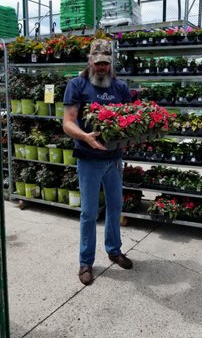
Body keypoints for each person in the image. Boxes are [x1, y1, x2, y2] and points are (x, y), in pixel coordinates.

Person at [63, 38, 133, 286]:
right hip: (89, 159)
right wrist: (85, 137)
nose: (102, 67)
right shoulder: (77, 85)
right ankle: (85, 262)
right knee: (89, 213)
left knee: (115, 208)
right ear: (90, 60)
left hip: (113, 160)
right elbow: (68, 122)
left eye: (106, 62)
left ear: (111, 62)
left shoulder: (120, 87)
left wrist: (131, 137)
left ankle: (114, 250)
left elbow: (129, 120)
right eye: (98, 61)